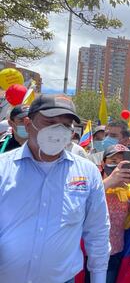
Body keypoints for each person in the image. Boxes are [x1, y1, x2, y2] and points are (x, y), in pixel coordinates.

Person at [0, 94, 110, 283]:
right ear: (28, 124)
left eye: (66, 126)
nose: (58, 130)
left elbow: (98, 232)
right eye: (49, 121)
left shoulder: (88, 172)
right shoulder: (3, 168)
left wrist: (98, 279)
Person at [83, 144, 130, 283]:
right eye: (113, 162)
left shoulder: (127, 189)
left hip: (114, 253)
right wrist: (109, 182)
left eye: (121, 162)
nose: (117, 166)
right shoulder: (93, 183)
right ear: (103, 163)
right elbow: (82, 201)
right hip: (87, 253)